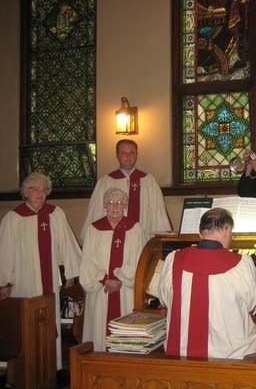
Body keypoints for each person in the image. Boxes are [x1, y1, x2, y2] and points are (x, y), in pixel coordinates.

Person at [0, 172, 81, 369]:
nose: (40, 193)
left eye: (44, 190)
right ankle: (25, 370)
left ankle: (49, 369)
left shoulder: (56, 214)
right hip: (23, 281)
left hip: (50, 280)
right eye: (35, 189)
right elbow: (4, 251)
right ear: (25, 192)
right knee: (26, 326)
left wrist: (71, 272)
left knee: (49, 322)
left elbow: (67, 244)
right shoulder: (13, 218)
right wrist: (4, 283)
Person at [159, 207, 256, 359]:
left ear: (200, 234)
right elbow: (252, 307)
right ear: (227, 230)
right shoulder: (242, 262)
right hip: (232, 354)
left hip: (181, 351)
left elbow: (165, 301)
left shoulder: (173, 259)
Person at [80, 187, 144, 352]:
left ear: (125, 206)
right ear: (104, 206)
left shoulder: (135, 228)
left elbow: (138, 258)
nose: (115, 206)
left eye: (119, 203)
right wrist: (104, 279)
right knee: (100, 333)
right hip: (101, 290)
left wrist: (120, 278)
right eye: (110, 203)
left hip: (125, 290)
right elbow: (87, 260)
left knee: (125, 334)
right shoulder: (94, 229)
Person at [80, 139, 171, 244]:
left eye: (132, 153)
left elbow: (158, 214)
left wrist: (160, 241)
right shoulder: (106, 182)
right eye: (124, 153)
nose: (128, 156)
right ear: (117, 155)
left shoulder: (148, 181)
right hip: (112, 240)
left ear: (137, 154)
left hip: (143, 241)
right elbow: (96, 212)